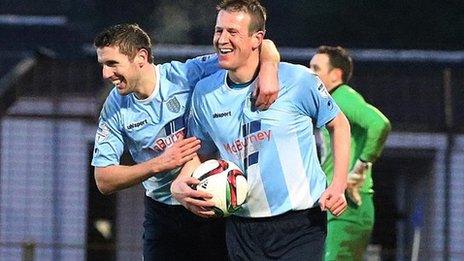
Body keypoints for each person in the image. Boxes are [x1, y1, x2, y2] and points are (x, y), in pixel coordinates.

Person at [171, 1, 350, 260]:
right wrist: (180, 183)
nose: (222, 40)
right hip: (241, 227)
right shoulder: (204, 93)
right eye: (219, 31)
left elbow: (339, 124)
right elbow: (197, 151)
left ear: (258, 39)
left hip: (301, 224)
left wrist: (338, 184)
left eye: (233, 32)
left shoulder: (298, 81)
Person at [90, 23, 280, 260]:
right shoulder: (114, 107)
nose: (106, 74)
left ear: (141, 57)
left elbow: (261, 46)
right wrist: (158, 164)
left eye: (112, 64)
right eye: (103, 65)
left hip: (214, 203)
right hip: (163, 214)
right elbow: (103, 179)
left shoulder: (186, 74)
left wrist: (270, 68)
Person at [310, 46, 392, 260]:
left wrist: (362, 165)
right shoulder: (329, 102)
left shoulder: (342, 96)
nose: (310, 73)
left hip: (349, 204)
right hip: (340, 204)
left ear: (336, 75)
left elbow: (379, 124)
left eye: (316, 68)